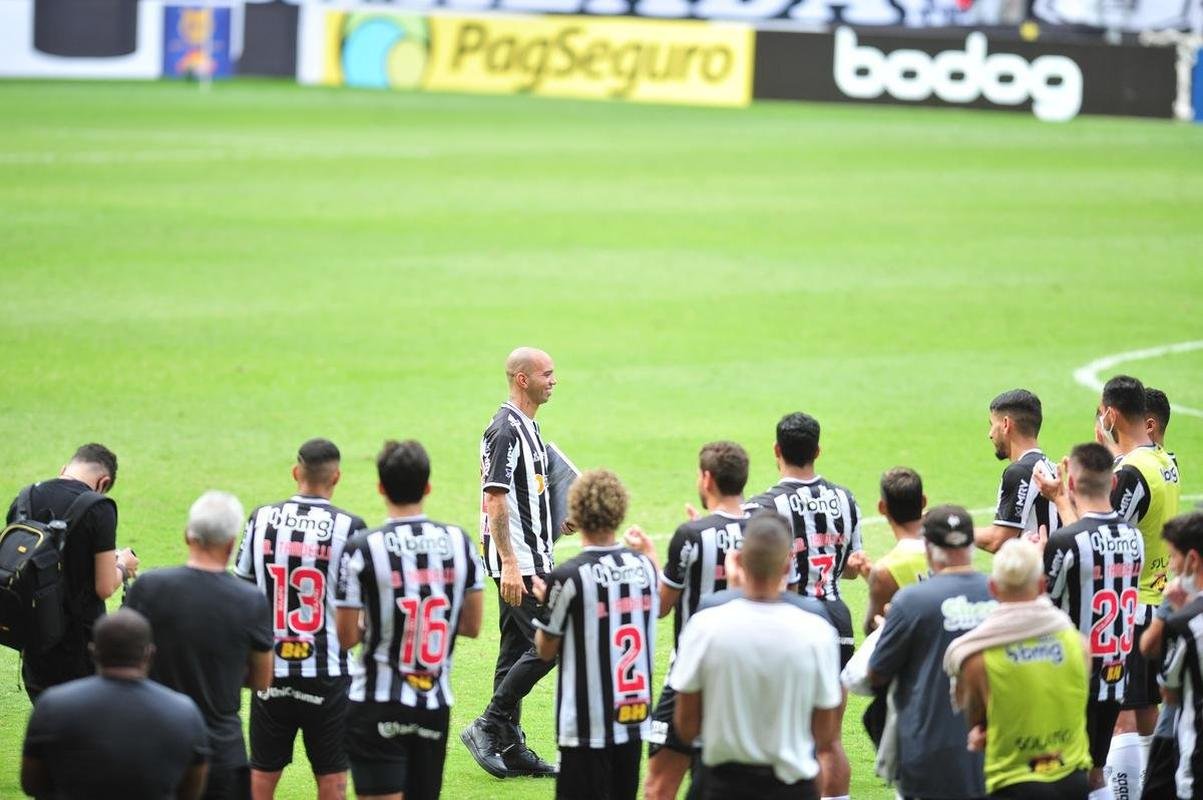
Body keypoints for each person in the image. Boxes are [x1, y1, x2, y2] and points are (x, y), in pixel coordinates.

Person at [1037, 375, 1182, 796]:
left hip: (1127, 611)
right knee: (1146, 713)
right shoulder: (1163, 461)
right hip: (1156, 600)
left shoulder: (1131, 474)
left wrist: (1061, 500)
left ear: (1111, 414)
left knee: (1120, 720)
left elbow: (1097, 535)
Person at [335, 439, 484, 800]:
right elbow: (471, 626)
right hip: (432, 705)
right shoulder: (458, 543)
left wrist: (381, 623)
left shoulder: (361, 548)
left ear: (381, 488)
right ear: (428, 487)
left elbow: (345, 638)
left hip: (375, 703)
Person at [668, 512, 842, 800]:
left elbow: (686, 727)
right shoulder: (817, 633)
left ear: (739, 561)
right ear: (787, 565)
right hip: (791, 787)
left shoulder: (705, 627)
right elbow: (824, 733)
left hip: (722, 786)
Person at [234, 438, 367, 800]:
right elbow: (360, 603)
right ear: (336, 477)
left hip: (270, 669)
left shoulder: (260, 518)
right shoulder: (350, 526)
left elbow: (241, 589)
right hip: (329, 673)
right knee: (332, 778)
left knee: (262, 773)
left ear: (296, 472)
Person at [745, 411, 868, 800]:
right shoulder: (845, 500)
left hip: (789, 621)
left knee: (782, 731)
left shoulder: (762, 507)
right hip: (835, 619)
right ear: (817, 449)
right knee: (828, 738)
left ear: (776, 450)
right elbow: (849, 568)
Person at [126, 491, 274, 800]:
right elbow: (262, 679)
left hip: (153, 744)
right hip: (219, 751)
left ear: (187, 536)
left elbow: (125, 657)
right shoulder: (250, 601)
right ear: (232, 545)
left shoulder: (148, 588)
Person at [532, 469, 660, 800]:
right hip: (633, 719)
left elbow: (545, 649)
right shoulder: (645, 567)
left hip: (587, 728)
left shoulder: (569, 576)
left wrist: (546, 601)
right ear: (618, 511)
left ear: (575, 512)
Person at [461, 346, 559, 779]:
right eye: (547, 373)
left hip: (534, 554)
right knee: (552, 642)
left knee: (515, 651)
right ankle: (488, 722)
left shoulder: (529, 427)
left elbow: (525, 495)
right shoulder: (505, 430)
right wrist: (510, 563)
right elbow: (495, 498)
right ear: (523, 379)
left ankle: (509, 743)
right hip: (521, 561)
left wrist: (559, 519)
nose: (554, 380)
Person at [645, 441, 759, 800]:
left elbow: (661, 606)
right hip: (746, 672)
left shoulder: (690, 535)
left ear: (707, 479)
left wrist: (650, 558)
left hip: (690, 675)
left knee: (659, 784)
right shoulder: (765, 529)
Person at [1036, 443, 1144, 798]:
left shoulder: (1065, 542)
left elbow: (1043, 606)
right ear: (1113, 484)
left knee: (1057, 773)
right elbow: (1091, 544)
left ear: (1071, 484)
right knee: (1096, 774)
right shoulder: (1135, 538)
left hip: (1071, 681)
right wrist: (1062, 504)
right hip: (1115, 675)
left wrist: (1038, 559)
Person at [947, 540, 1092, 799]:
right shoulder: (1078, 644)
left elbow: (978, 725)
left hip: (1013, 782)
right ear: (1041, 585)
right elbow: (1077, 702)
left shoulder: (976, 657)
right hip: (1073, 778)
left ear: (993, 588)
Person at [867, 504, 994, 800]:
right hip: (993, 749)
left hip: (929, 749)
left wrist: (887, 631)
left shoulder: (911, 601)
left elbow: (876, 674)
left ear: (927, 546)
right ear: (971, 543)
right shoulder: (1000, 592)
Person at [21, 608, 210, 800]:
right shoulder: (184, 711)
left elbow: (32, 784)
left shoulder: (52, 705)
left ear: (93, 652)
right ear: (150, 654)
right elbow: (191, 790)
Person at [6, 443, 139, 699]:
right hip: (79, 648)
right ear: (103, 482)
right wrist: (123, 565)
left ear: (64, 468)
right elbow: (104, 586)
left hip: (35, 641)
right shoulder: (99, 508)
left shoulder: (24, 499)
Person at [974, 390, 1060, 554]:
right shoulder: (1049, 466)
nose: (990, 434)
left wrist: (950, 528)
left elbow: (998, 540)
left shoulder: (1020, 472)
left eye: (992, 424)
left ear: (1006, 424)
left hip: (1034, 576)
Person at [1156, 512, 1203, 800]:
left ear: (1193, 560)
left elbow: (1168, 693)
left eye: (1173, 557)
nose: (1171, 566)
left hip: (1195, 759)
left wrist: (1174, 611)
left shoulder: (1186, 623)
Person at [864, 467, 929, 634]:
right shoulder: (949, 553)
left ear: (882, 507)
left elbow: (873, 629)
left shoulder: (885, 571)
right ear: (923, 501)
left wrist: (875, 580)